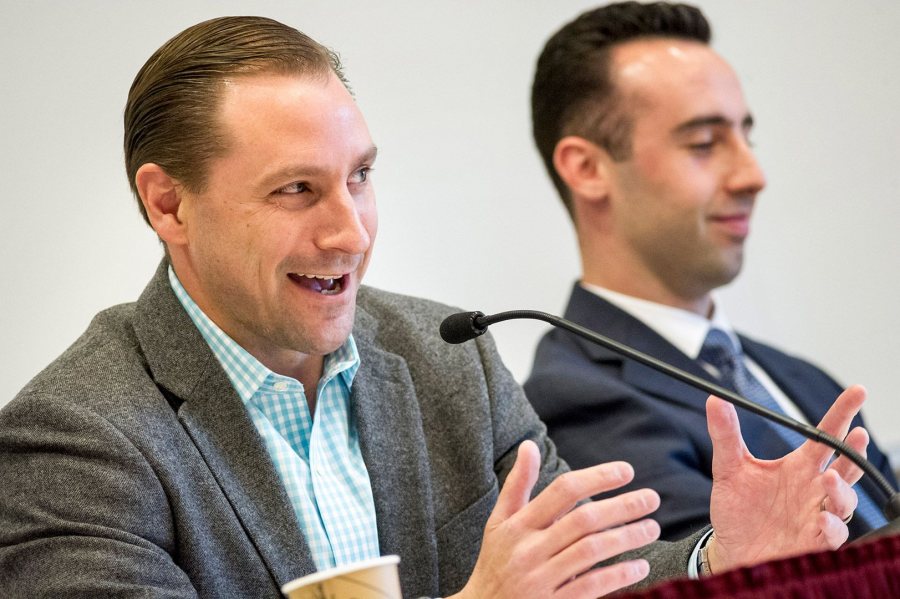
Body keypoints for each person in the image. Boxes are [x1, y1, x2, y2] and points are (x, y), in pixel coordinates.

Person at [0, 14, 870, 599]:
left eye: (361, 177)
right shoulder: (77, 438)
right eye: (296, 189)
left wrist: (724, 557)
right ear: (168, 205)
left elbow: (585, 576)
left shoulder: (448, 352)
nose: (350, 231)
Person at [524, 0, 896, 543]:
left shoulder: (791, 375)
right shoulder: (576, 400)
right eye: (704, 144)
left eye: (747, 137)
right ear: (587, 169)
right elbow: (729, 576)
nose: (753, 174)